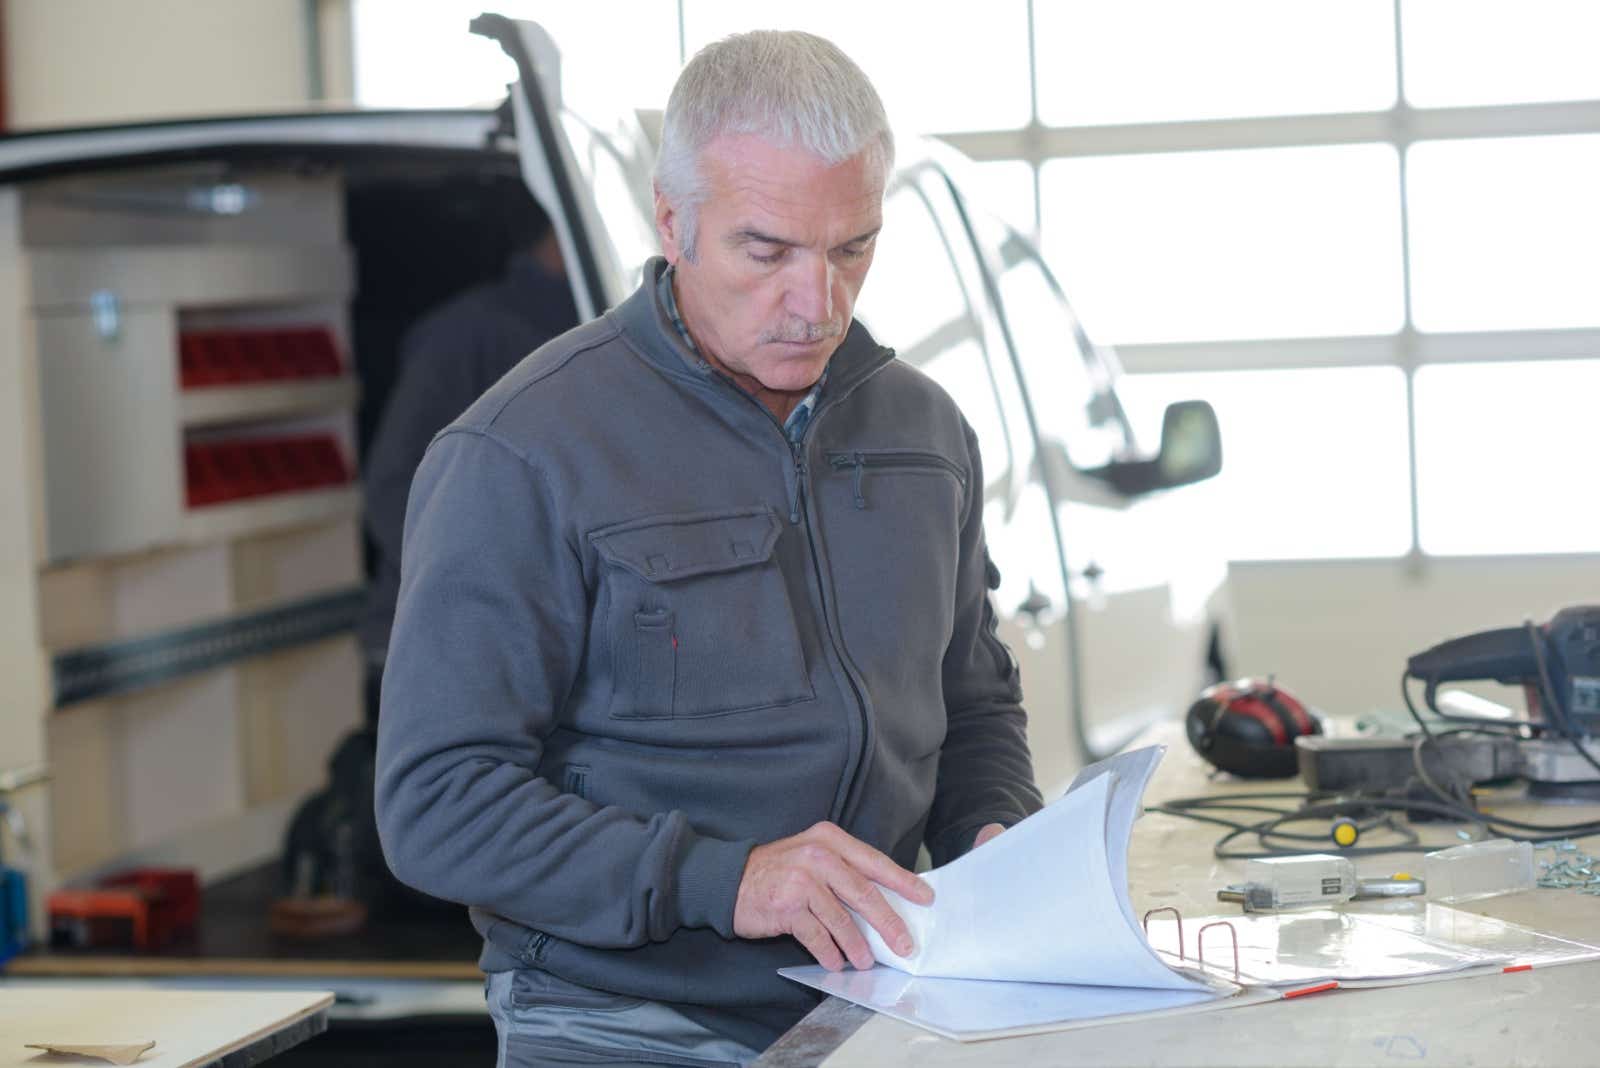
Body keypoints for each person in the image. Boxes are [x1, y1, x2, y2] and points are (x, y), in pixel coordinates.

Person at [375, 29, 1042, 1067]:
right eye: (765, 250)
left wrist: (992, 831)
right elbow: (436, 805)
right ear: (671, 220)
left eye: (850, 248)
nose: (814, 303)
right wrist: (721, 880)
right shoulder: (522, 450)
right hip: (617, 1022)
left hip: (884, 1007)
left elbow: (970, 700)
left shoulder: (924, 432)